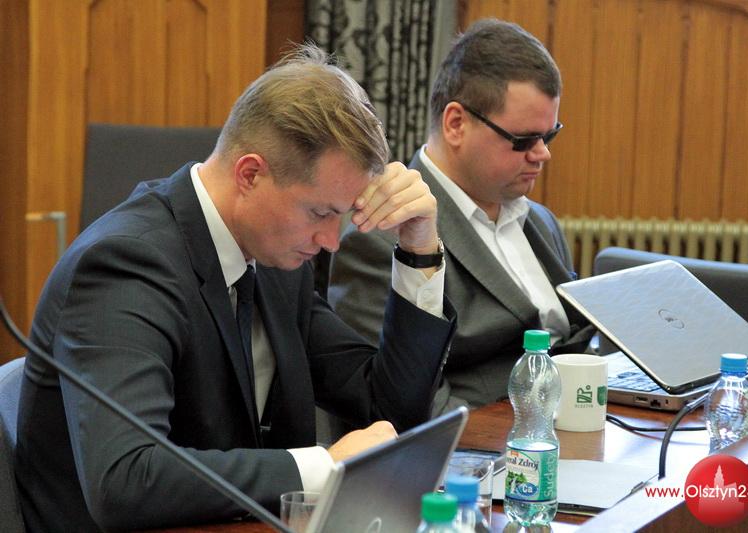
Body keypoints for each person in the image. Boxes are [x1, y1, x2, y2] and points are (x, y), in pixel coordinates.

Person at [15, 44, 456, 532]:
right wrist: (324, 466)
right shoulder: (125, 265)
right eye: (320, 212)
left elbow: (388, 411)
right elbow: (126, 479)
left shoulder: (275, 255)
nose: (331, 241)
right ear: (250, 174)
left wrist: (419, 251)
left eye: (342, 215)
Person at [328, 19, 594, 414]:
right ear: (456, 124)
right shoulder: (382, 237)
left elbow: (572, 341)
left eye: (549, 135)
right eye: (523, 140)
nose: (543, 154)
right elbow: (401, 403)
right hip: (490, 438)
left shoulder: (540, 221)